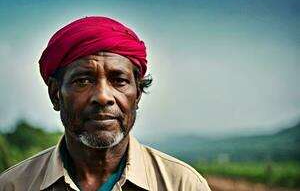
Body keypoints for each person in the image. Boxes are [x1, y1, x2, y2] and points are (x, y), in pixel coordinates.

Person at [0, 16, 211, 191]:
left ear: (137, 95)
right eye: (83, 80)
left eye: (119, 81)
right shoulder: (14, 185)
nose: (103, 97)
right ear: (56, 94)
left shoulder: (183, 185)